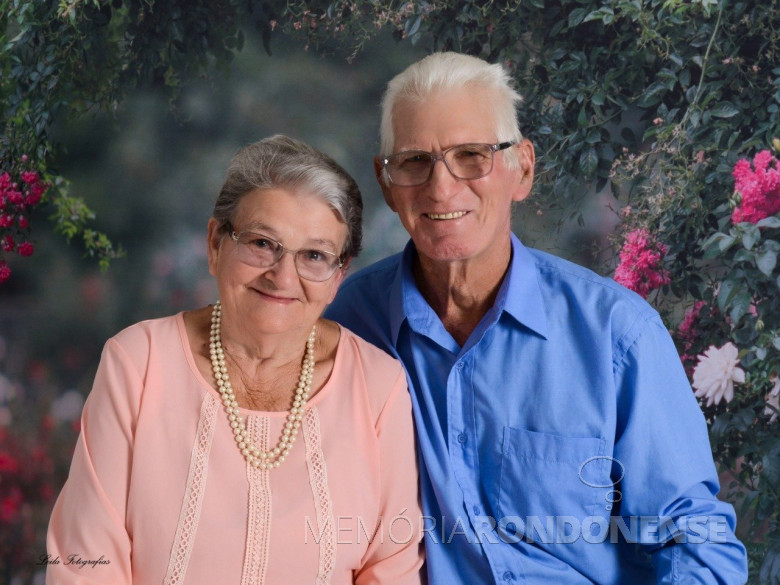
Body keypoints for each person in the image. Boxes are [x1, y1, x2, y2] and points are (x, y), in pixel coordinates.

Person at [325, 52, 748, 583]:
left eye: (472, 155)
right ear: (386, 184)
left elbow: (695, 545)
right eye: (414, 161)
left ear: (521, 168)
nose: (440, 187)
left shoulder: (617, 336)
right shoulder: (342, 328)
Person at [46, 135, 424, 584]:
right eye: (262, 243)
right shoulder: (138, 363)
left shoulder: (378, 386)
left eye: (315, 256)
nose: (283, 276)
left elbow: (391, 569)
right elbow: (85, 566)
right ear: (214, 244)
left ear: (339, 275)